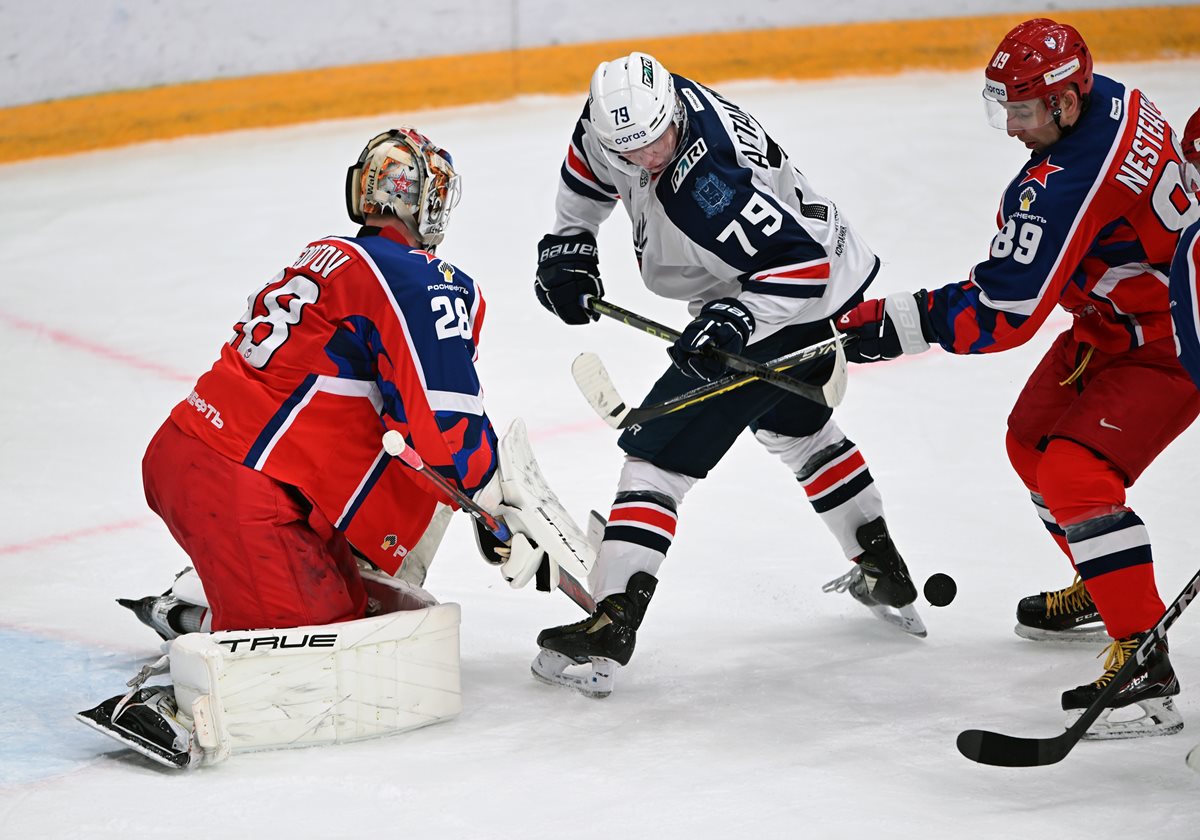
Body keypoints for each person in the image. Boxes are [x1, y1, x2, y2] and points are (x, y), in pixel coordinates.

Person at [78, 128, 524, 767]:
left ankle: (204, 598)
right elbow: (443, 422)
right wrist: (491, 503)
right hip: (235, 487)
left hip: (190, 454)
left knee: (379, 514)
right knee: (328, 636)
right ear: (424, 203)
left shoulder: (328, 257)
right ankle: (165, 690)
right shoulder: (415, 278)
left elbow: (406, 427)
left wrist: (477, 494)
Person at [837, 19, 1200, 738]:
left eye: (1025, 109)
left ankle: (1144, 662)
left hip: (1168, 340)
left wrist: (889, 324)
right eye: (1004, 105)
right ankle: (1107, 587)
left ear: (1066, 102)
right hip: (1112, 321)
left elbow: (1006, 311)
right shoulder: (1110, 100)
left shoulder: (1073, 176)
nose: (1010, 126)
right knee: (1029, 441)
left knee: (1075, 475)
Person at [530, 51, 920, 697]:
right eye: (630, 149)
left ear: (674, 115)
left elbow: (801, 268)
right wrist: (569, 243)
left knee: (656, 460)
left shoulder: (711, 184)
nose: (646, 157)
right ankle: (881, 563)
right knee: (800, 432)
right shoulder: (623, 116)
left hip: (787, 296)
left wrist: (738, 318)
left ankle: (612, 620)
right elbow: (587, 174)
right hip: (768, 283)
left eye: (657, 142)